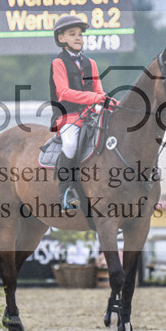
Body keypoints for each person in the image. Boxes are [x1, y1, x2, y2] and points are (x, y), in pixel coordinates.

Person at [49, 14, 108, 210]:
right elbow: (63, 92)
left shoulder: (90, 63)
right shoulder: (58, 63)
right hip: (68, 116)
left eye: (80, 34)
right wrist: (94, 98)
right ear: (61, 38)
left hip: (91, 115)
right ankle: (65, 191)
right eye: (72, 34)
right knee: (71, 144)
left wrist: (109, 102)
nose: (78, 38)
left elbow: (99, 92)